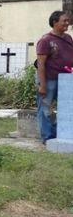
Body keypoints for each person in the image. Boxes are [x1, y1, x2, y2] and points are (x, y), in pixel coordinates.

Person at [36, 11, 73, 143]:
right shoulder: (46, 40)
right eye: (64, 21)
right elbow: (41, 64)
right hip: (49, 79)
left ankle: (59, 133)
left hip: (66, 81)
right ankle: (47, 137)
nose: (67, 23)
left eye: (68, 20)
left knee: (65, 108)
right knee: (46, 109)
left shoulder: (68, 38)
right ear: (54, 22)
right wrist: (42, 85)